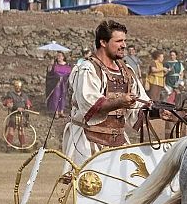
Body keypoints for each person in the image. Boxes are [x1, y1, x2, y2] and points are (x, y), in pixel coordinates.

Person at [63, 20, 149, 167]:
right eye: (119, 41)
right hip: (87, 140)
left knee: (128, 185)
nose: (124, 45)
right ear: (103, 42)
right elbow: (88, 104)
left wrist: (162, 113)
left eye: (125, 41)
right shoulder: (87, 69)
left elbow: (141, 104)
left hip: (118, 140)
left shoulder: (127, 71)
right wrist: (119, 102)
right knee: (90, 187)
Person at [1, 80, 33, 150]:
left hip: (22, 115)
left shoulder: (24, 95)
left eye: (19, 87)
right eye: (17, 87)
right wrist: (16, 108)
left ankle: (23, 146)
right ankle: (9, 146)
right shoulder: (10, 94)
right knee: (11, 130)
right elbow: (9, 104)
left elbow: (28, 104)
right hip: (13, 114)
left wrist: (27, 106)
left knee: (21, 130)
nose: (18, 88)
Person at [46, 52, 72, 118]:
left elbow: (69, 74)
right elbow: (50, 73)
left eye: (60, 56)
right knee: (56, 97)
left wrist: (64, 78)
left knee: (62, 97)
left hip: (64, 83)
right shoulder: (55, 65)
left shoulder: (67, 65)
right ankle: (56, 112)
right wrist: (50, 66)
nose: (58, 57)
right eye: (57, 56)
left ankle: (61, 111)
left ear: (63, 57)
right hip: (56, 84)